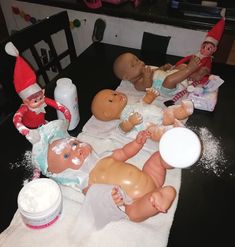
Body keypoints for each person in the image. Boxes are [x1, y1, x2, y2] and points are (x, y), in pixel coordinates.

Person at [32, 120, 200, 223]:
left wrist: (137, 143)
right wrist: (112, 199)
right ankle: (159, 199)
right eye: (67, 155)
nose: (75, 150)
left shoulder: (105, 156)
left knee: (157, 158)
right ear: (61, 173)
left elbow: (125, 152)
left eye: (74, 144)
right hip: (134, 201)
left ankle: (171, 159)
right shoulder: (87, 182)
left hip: (150, 177)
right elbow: (96, 198)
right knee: (135, 214)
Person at [5, 42, 71, 144]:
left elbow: (60, 107)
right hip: (31, 130)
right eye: (35, 100)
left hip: (43, 124)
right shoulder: (25, 108)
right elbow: (16, 120)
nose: (40, 101)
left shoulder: (43, 100)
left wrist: (67, 118)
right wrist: (27, 132)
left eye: (41, 97)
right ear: (25, 101)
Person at [91, 88, 194, 139]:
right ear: (107, 114)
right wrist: (131, 122)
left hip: (160, 115)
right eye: (111, 100)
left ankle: (184, 110)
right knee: (155, 132)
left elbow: (144, 102)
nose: (117, 95)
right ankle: (172, 131)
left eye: (114, 93)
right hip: (148, 127)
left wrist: (150, 95)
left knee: (170, 112)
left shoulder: (133, 105)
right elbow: (123, 128)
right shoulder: (124, 119)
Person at [113, 52, 201, 97]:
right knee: (169, 80)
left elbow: (155, 71)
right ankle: (189, 69)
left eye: (137, 59)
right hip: (166, 88)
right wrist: (147, 77)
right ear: (126, 77)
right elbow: (147, 85)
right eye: (133, 65)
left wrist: (162, 68)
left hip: (168, 75)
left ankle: (193, 76)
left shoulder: (144, 70)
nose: (139, 62)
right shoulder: (137, 83)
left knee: (181, 66)